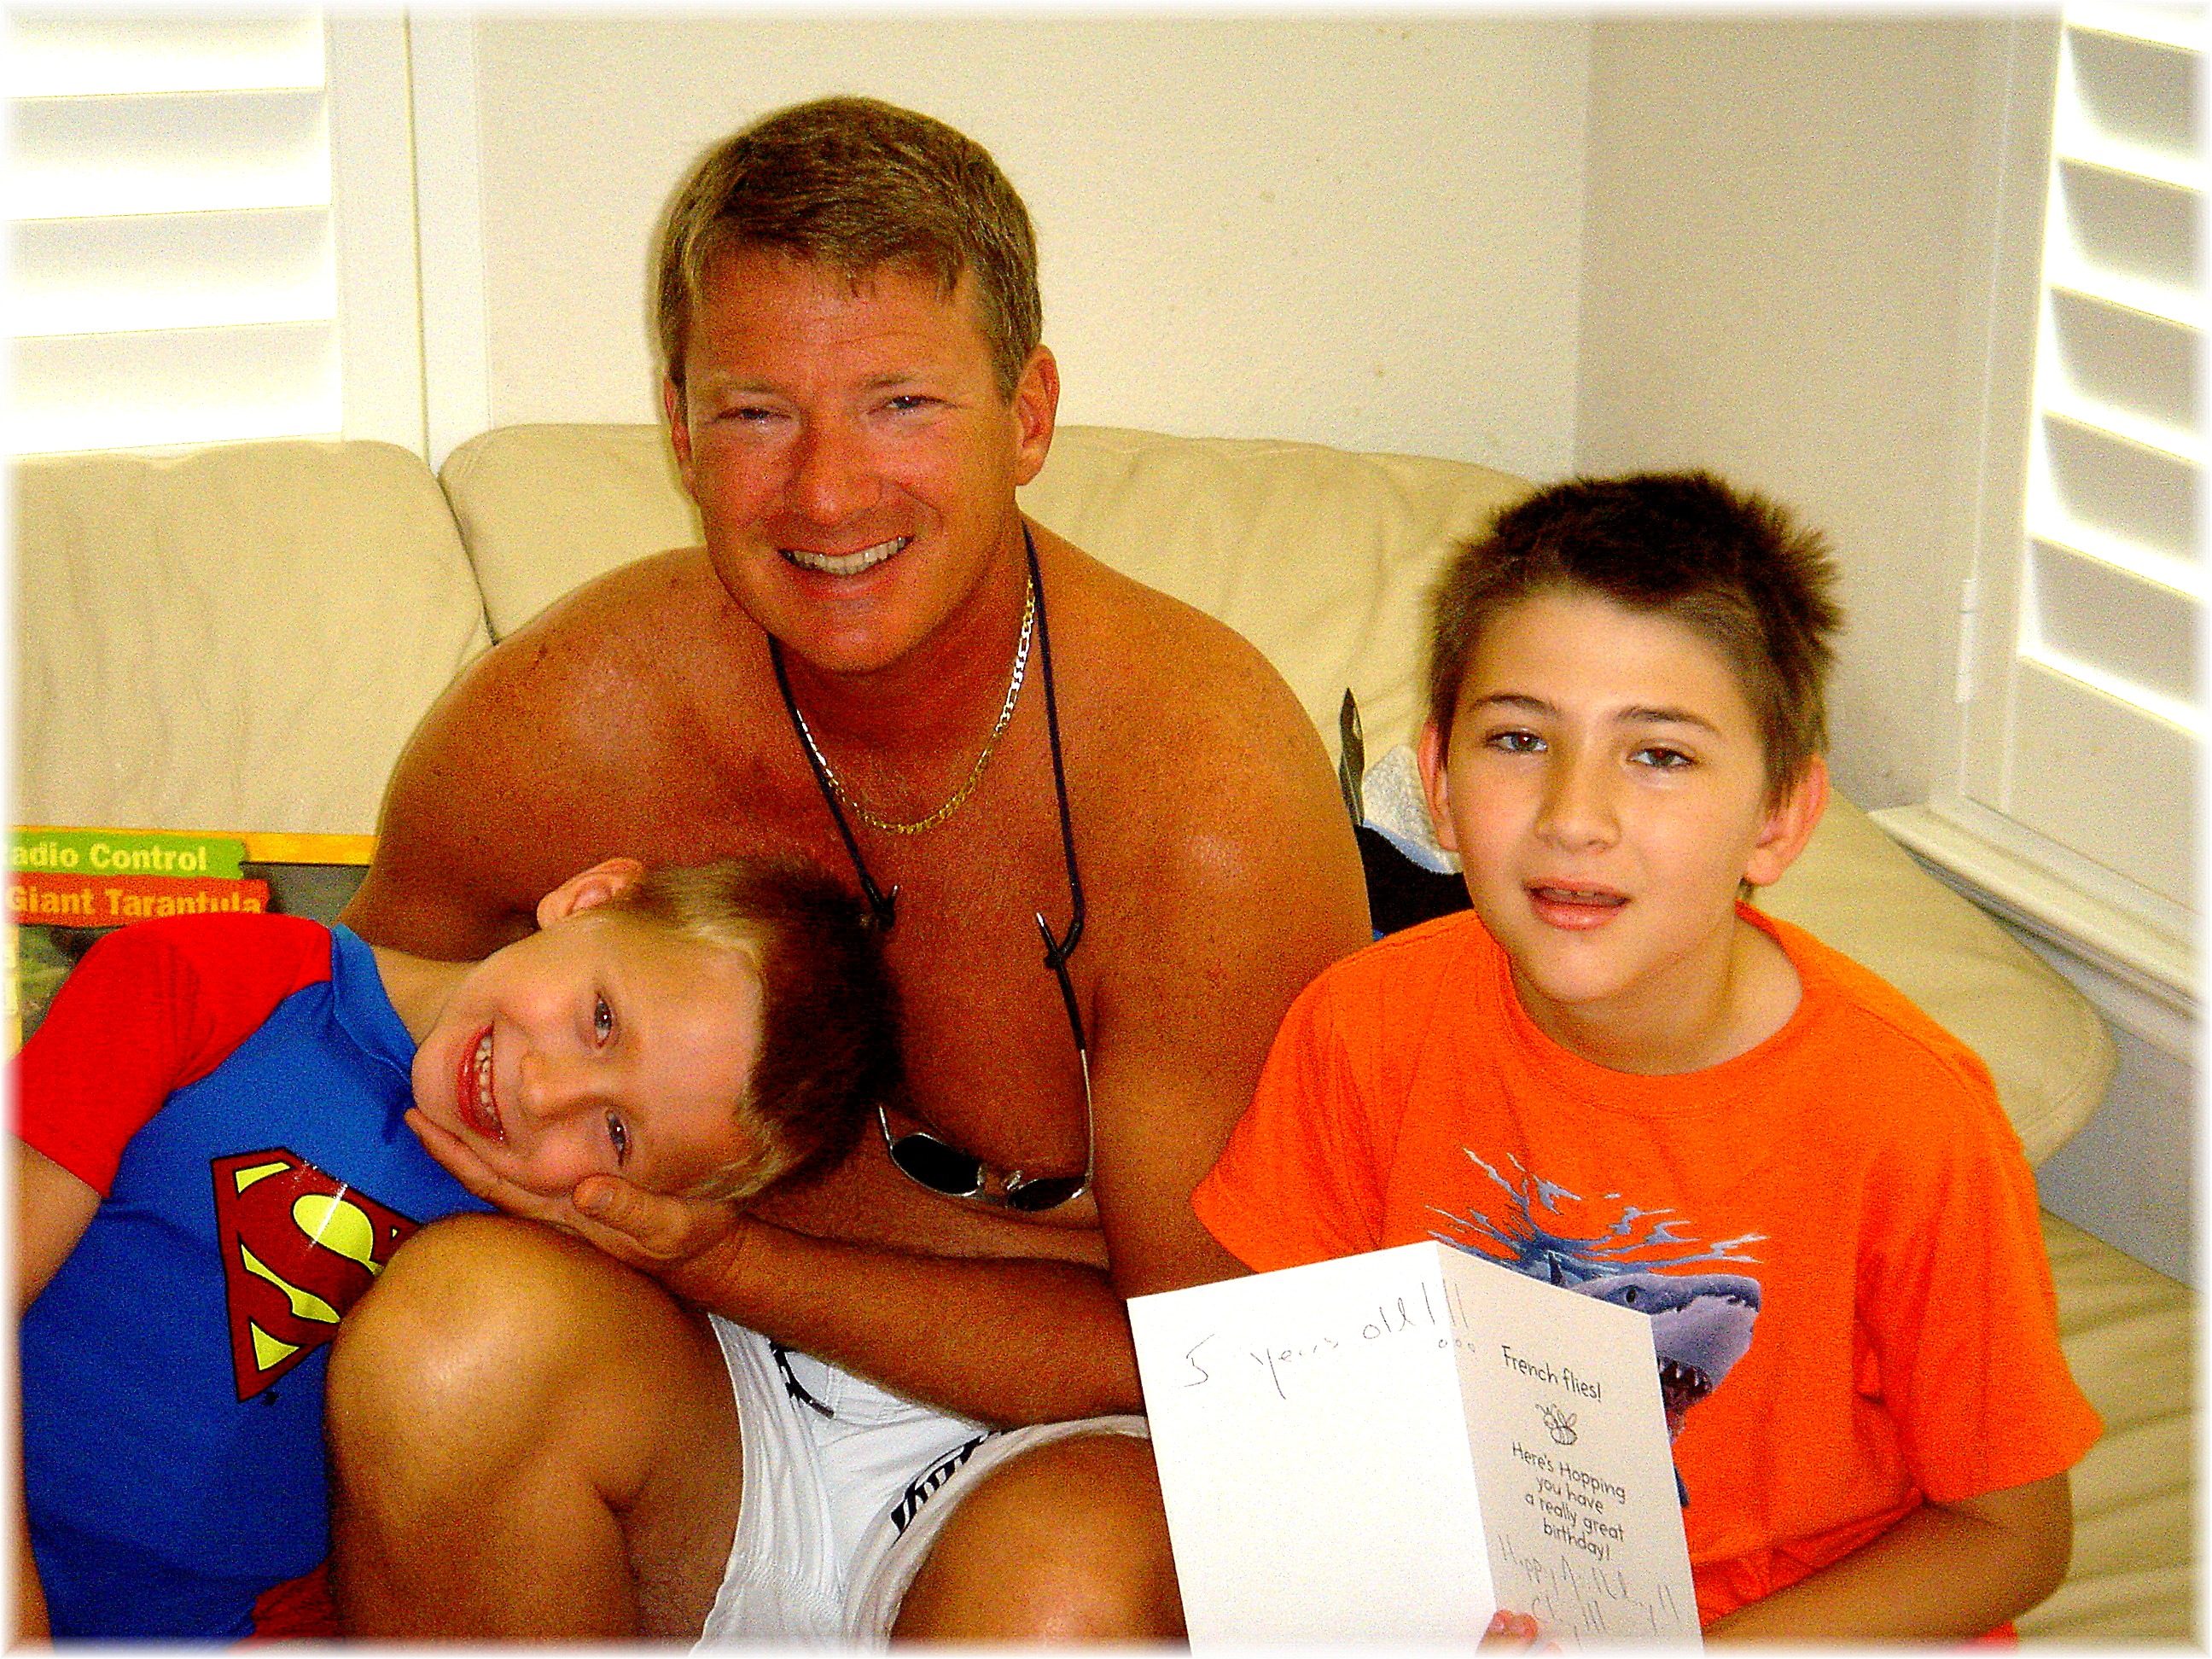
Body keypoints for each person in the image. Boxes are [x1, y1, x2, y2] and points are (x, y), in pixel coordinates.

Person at [326, 96, 1369, 1639]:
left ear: (1028, 414)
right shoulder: (580, 711)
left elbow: (1219, 1367)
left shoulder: (1201, 796)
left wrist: (738, 1249)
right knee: (450, 1347)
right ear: (678, 427)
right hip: (691, 1382)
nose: (826, 492)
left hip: (1066, 1443)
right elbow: (337, 1030)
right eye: (757, 412)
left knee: (1064, 1590)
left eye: (899, 404)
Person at [1191, 471, 2102, 1640]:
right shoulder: (1360, 1025)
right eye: (1520, 739)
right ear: (1440, 788)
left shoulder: (1910, 1120)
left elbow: (2013, 1537)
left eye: (1660, 755)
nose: (1576, 816)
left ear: (1779, 818)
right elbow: (1299, 1407)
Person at [15, 854, 896, 1641]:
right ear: (590, 898)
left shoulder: (541, 1283)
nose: (543, 1092)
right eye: (601, 1019)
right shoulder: (205, 977)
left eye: (617, 1133)